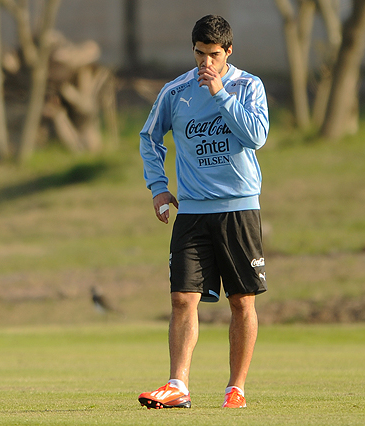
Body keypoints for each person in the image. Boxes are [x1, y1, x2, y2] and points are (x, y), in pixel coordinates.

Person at [138, 15, 268, 409]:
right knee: (182, 298)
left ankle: (236, 389)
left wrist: (220, 94)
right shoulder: (175, 91)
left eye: (213, 55)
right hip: (193, 212)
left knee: (242, 302)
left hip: (239, 209)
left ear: (228, 51)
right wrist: (159, 189)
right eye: (199, 54)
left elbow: (256, 136)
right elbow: (149, 138)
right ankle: (177, 386)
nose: (205, 63)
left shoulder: (248, 86)